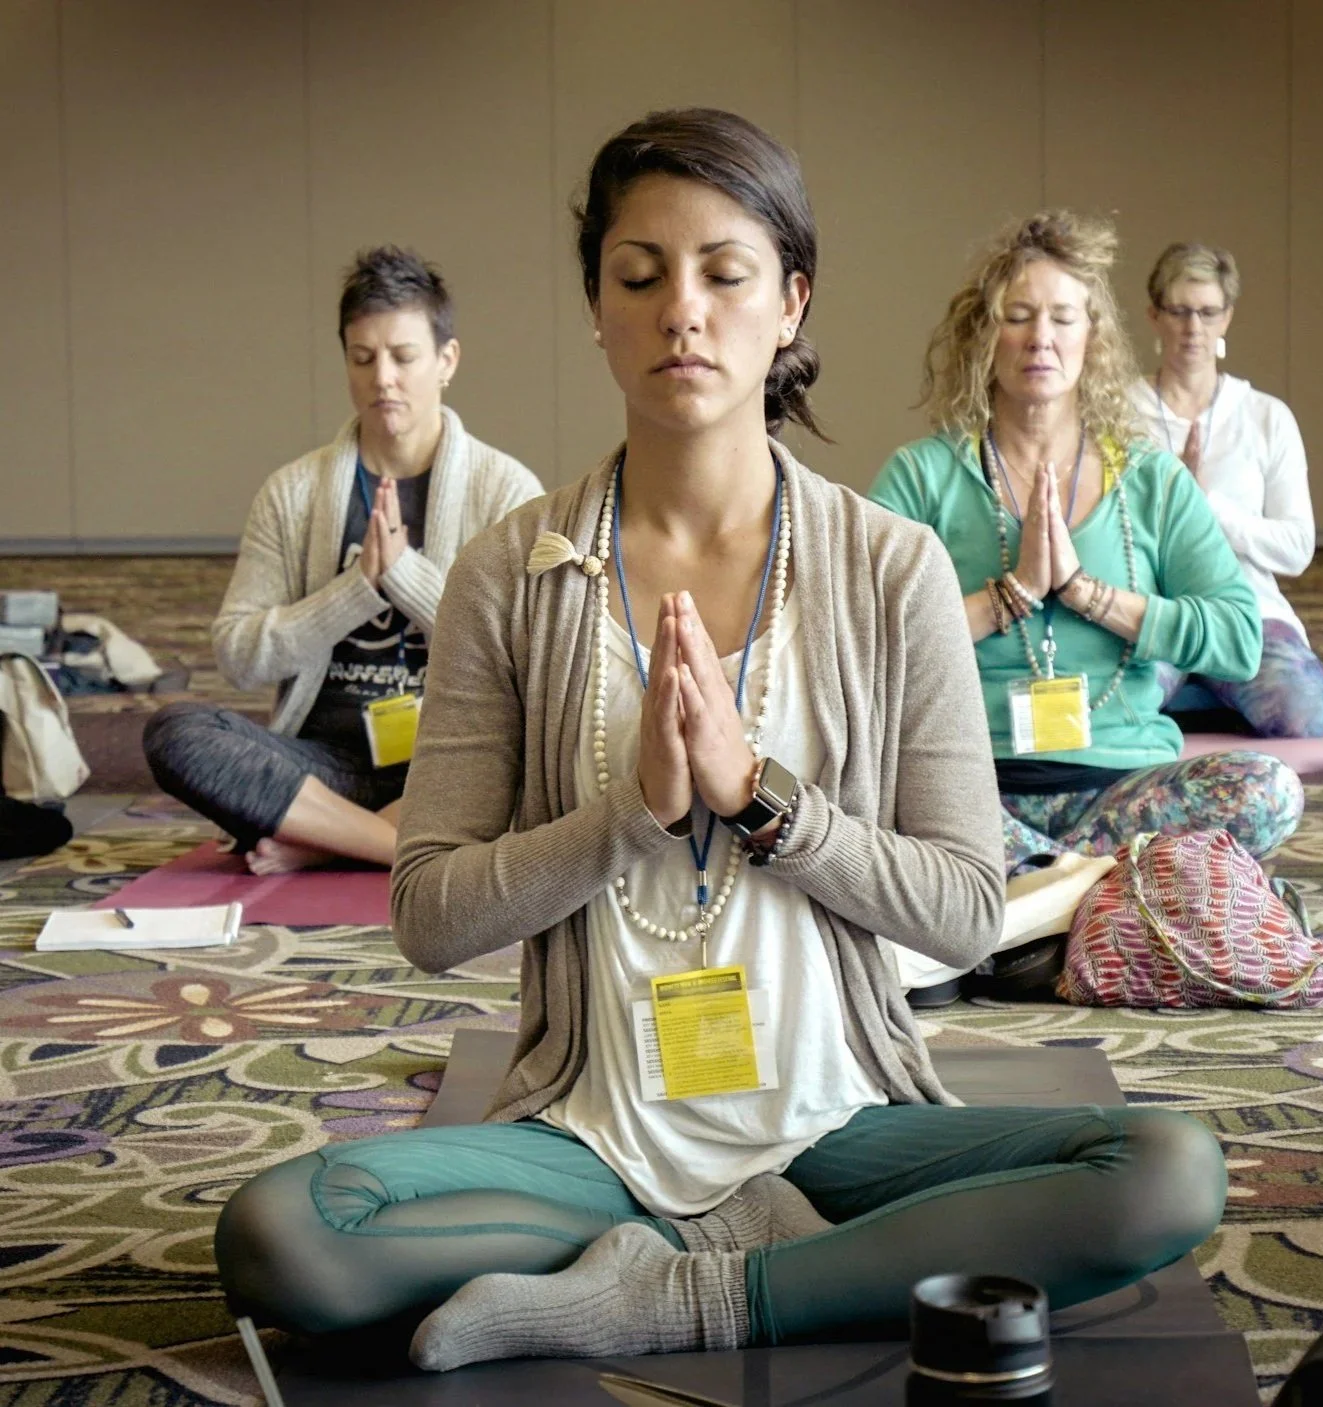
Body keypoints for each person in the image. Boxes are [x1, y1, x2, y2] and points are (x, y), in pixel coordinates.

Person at [213, 112, 1226, 1369]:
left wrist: (766, 801)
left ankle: (695, 1295)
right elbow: (428, 915)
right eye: (639, 277)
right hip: (591, 1133)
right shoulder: (504, 576)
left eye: (724, 274)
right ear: (597, 305)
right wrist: (623, 820)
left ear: (790, 302)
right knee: (285, 1235)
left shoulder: (887, 567)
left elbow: (965, 911)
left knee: (1167, 1171)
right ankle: (779, 1262)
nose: (680, 311)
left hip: (836, 1123)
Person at [870, 212, 1304, 888]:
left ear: (1091, 336)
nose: (1039, 337)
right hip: (970, 789)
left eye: (1062, 318)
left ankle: (1028, 892)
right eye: (1016, 315)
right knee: (860, 798)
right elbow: (864, 645)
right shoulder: (921, 475)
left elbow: (1237, 639)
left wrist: (1088, 594)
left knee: (1267, 789)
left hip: (1119, 787)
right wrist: (1007, 595)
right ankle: (1104, 888)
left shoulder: (1150, 477)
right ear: (984, 334)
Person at [143, 247, 542, 873]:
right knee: (176, 734)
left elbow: (524, 657)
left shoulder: (505, 490)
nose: (383, 377)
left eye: (403, 357)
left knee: (545, 760)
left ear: (446, 361)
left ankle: (322, 843)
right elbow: (240, 654)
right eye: (364, 358)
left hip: (448, 763)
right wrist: (354, 591)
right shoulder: (292, 493)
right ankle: (384, 843)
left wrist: (405, 578)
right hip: (324, 769)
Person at [1132, 242, 1323, 738]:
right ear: (1154, 316)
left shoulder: (1265, 416)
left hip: (1245, 612)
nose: (1193, 328)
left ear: (1227, 318)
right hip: (1154, 610)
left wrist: (1206, 510)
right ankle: (1201, 693)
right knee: (1103, 716)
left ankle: (1201, 692)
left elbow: (1296, 548)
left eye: (1207, 312)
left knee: (1305, 716)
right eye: (1179, 311)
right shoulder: (1117, 412)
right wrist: (1166, 506)